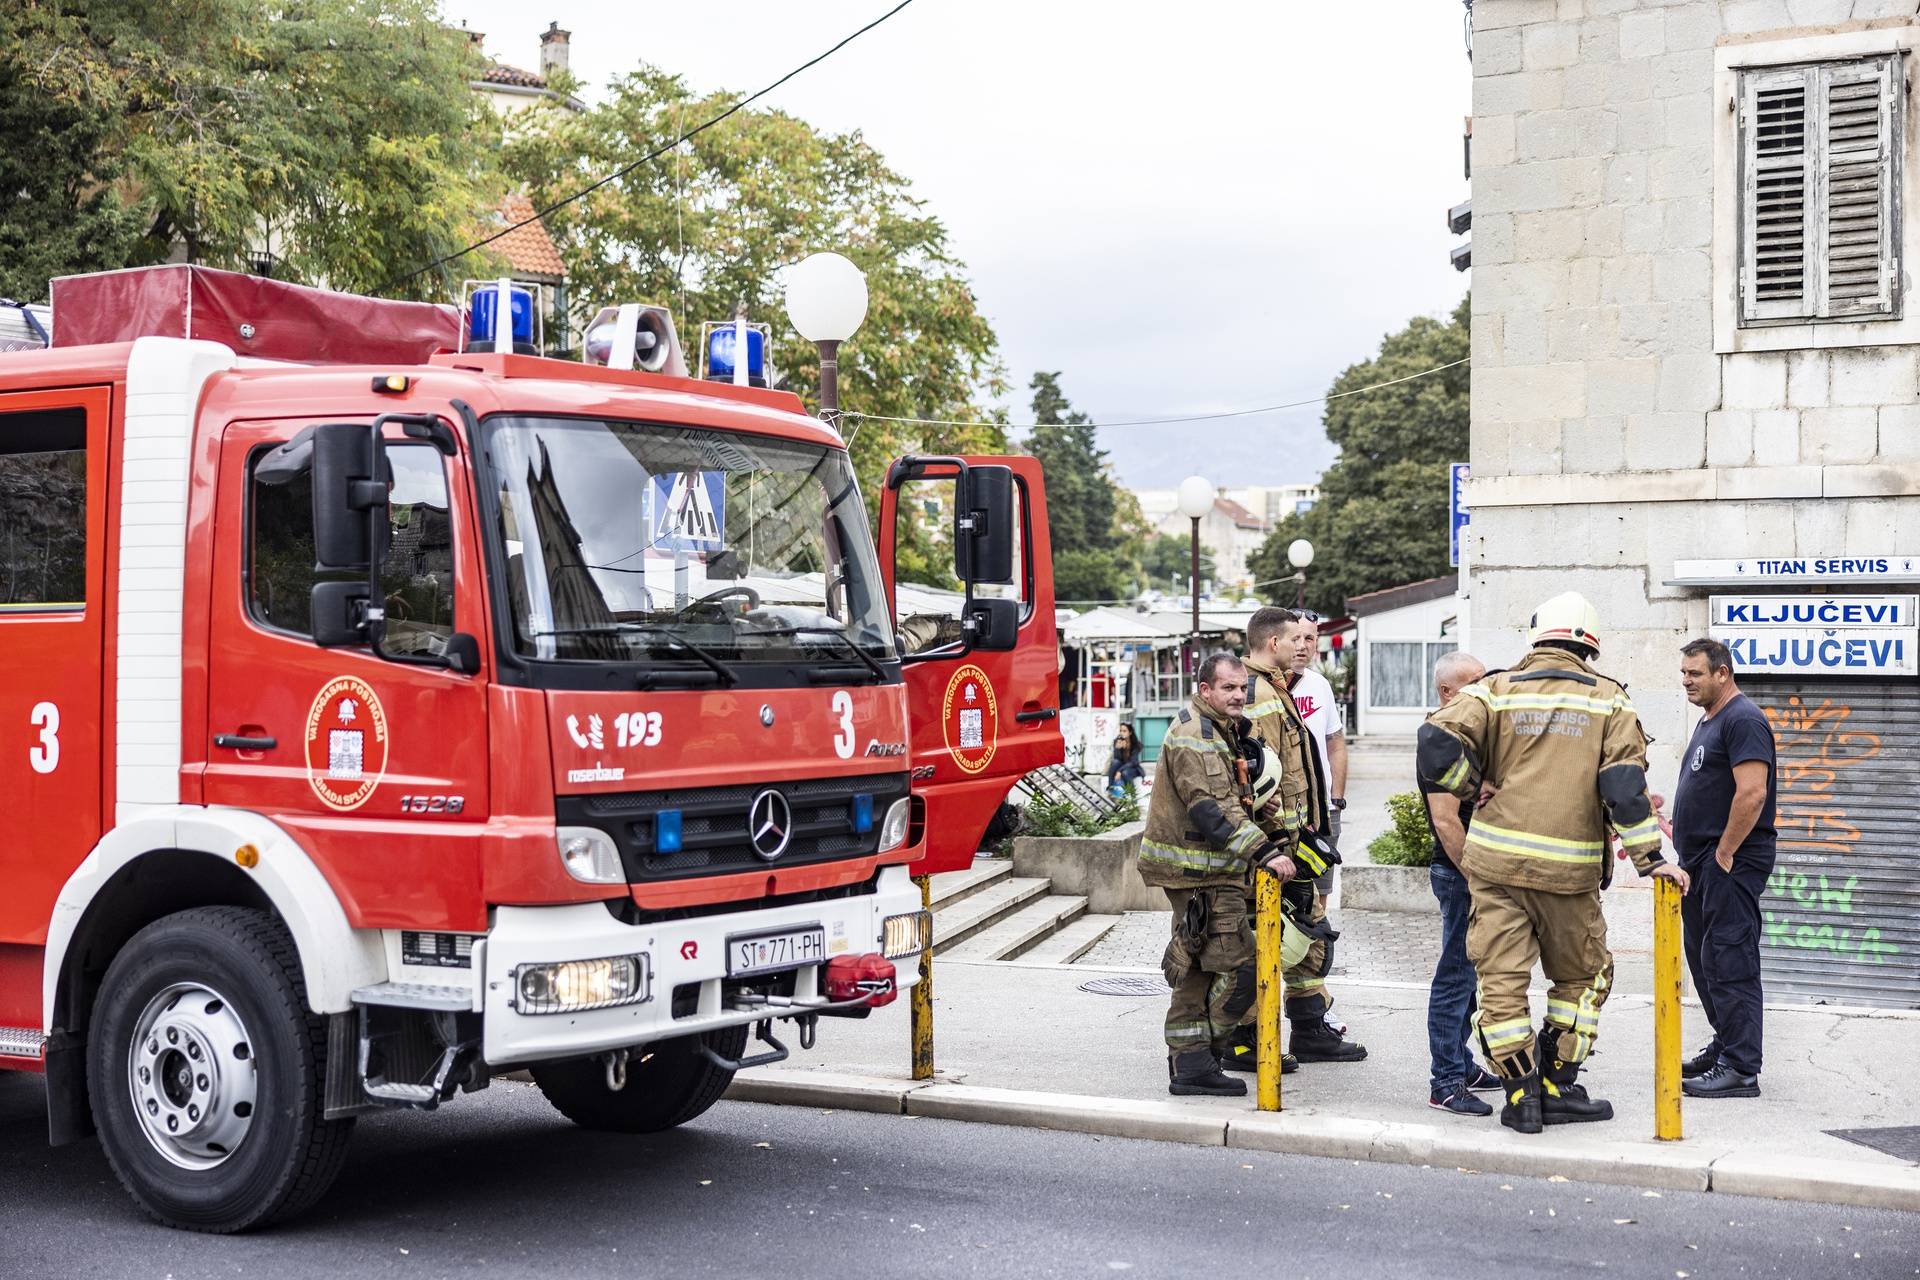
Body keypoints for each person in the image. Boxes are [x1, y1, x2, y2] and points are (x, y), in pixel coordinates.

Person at [1418, 591, 1691, 1134]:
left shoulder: (1492, 691)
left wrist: (1472, 787)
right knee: (1585, 979)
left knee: (1500, 985)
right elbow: (1622, 787)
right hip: (1568, 875)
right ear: (1588, 643)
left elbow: (1433, 743)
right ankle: (1556, 1084)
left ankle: (1520, 1098)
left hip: (1494, 870)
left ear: (1536, 637)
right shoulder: (1611, 701)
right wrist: (1650, 858)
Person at [1138, 652, 1297, 1097]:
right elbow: (1210, 807)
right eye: (1228, 688)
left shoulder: (1221, 729)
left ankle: (1191, 1064)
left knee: (1197, 970)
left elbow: (1228, 798)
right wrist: (1264, 850)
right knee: (1244, 967)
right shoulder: (1197, 734)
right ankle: (1204, 1058)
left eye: (1242, 688)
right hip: (1201, 873)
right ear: (1205, 690)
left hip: (1207, 871)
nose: (1238, 696)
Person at [1239, 606, 1366, 1065]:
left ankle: (1310, 1030)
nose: (1304, 645)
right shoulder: (1254, 692)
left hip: (1300, 837)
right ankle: (1247, 1036)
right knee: (1269, 939)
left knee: (1311, 934)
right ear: (1275, 643)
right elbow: (1258, 777)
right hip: (1275, 845)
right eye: (1296, 638)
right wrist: (1275, 844)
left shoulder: (1280, 687)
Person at [1668, 637, 1776, 1100]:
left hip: (1728, 863)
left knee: (1731, 962)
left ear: (1722, 673)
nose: (1687, 681)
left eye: (1695, 673)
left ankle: (1741, 1068)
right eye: (1684, 673)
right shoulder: (1709, 721)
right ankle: (1726, 1044)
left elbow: (1752, 793)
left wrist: (1725, 852)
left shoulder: (1743, 719)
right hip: (1700, 864)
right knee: (1704, 960)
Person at [1420, 651, 1503, 1116]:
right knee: (1455, 976)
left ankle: (1464, 1064)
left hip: (1472, 873)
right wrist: (1477, 880)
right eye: (1475, 681)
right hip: (1458, 874)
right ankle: (1446, 1081)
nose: (1485, 685)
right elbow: (1447, 822)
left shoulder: (1469, 733)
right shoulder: (1441, 738)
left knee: (1469, 976)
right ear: (1448, 692)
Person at [1290, 614, 1349, 886]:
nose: (1302, 645)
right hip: (1284, 810)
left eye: (1309, 638)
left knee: (1321, 888)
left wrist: (1336, 798)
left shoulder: (1320, 685)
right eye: (1295, 638)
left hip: (1324, 808)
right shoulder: (1260, 686)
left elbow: (1335, 742)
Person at [1106, 723, 1145, 795]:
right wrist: (1118, 749)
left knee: (1125, 773)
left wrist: (1119, 771)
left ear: (1130, 732)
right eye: (1120, 731)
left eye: (1124, 731)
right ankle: (1110, 789)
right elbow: (1117, 759)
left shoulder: (1136, 744)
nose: (1122, 733)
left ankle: (1132, 795)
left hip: (1132, 768)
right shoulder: (1117, 741)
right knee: (1115, 762)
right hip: (1121, 765)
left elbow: (1133, 762)